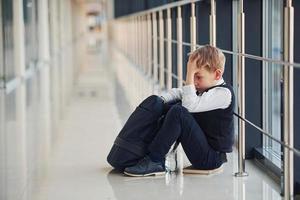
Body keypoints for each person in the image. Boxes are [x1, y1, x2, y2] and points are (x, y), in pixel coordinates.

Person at [124, 45, 235, 177]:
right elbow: (179, 93)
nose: (194, 82)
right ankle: (148, 153)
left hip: (211, 159)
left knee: (178, 112)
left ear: (217, 74)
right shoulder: (205, 87)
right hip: (203, 149)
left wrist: (190, 71)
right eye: (192, 77)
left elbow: (188, 106)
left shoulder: (223, 94)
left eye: (197, 76)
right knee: (172, 105)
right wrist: (161, 100)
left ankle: (155, 160)